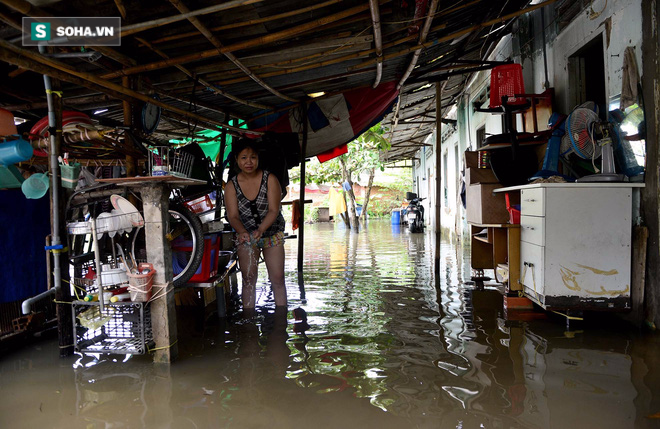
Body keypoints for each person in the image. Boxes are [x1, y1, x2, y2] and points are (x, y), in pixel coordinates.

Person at [224, 139, 287, 312]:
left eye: (253, 157)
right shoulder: (232, 186)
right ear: (237, 160)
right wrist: (243, 232)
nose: (249, 162)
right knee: (248, 279)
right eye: (244, 158)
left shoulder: (270, 179)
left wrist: (261, 230)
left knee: (278, 279)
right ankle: (248, 321)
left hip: (272, 234)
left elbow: (274, 210)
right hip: (246, 237)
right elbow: (233, 216)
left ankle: (281, 322)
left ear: (258, 158)